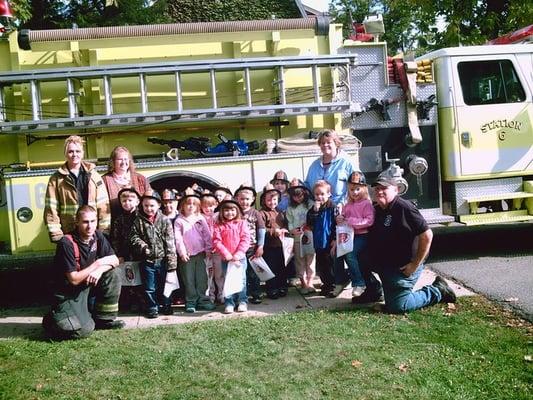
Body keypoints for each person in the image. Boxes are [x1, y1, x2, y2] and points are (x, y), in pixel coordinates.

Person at [354, 176, 456, 313]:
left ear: (396, 190)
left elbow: (427, 235)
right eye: (377, 189)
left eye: (384, 188)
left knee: (398, 306)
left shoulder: (404, 208)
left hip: (404, 266)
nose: (379, 192)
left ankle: (438, 290)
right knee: (359, 255)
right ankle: (374, 291)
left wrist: (414, 264)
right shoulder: (377, 209)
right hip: (386, 264)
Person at [42, 205, 124, 340]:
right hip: (68, 293)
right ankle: (52, 320)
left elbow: (115, 260)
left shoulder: (97, 236)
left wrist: (99, 270)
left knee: (113, 273)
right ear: (77, 223)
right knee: (82, 331)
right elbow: (73, 279)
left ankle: (104, 320)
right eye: (85, 222)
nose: (90, 226)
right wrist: (97, 264)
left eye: (93, 221)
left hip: (87, 285)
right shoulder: (66, 243)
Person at [44, 135, 110, 243]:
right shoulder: (56, 179)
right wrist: (57, 235)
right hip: (69, 232)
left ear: (82, 153)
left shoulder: (94, 176)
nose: (74, 154)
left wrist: (104, 231)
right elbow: (51, 209)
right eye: (71, 151)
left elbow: (103, 205)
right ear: (65, 153)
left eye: (78, 151)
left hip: (92, 231)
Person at [130, 190, 177, 318]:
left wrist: (172, 262)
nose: (149, 208)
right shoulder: (138, 221)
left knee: (165, 284)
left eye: (152, 205)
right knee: (149, 286)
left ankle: (166, 304)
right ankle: (152, 307)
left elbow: (170, 241)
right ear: (142, 206)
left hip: (163, 260)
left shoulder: (165, 220)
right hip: (147, 261)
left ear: (158, 205)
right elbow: (134, 237)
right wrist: (142, 246)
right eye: (146, 206)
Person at [333, 171, 374, 299]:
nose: (354, 192)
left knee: (350, 253)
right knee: (336, 253)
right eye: (351, 189)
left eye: (358, 189)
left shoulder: (366, 204)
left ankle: (359, 283)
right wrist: (340, 218)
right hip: (348, 235)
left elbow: (369, 221)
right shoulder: (348, 205)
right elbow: (343, 219)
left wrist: (350, 221)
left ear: (364, 189)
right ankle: (341, 280)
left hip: (362, 236)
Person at [174, 191, 215, 313]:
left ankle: (203, 300)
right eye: (188, 204)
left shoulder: (200, 218)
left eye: (194, 204)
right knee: (189, 279)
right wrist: (182, 252)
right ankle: (191, 301)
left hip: (201, 253)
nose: (191, 206)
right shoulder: (179, 221)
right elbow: (178, 238)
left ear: (198, 206)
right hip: (187, 255)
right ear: (182, 206)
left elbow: (207, 235)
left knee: (202, 278)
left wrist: (208, 249)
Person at [212, 199, 250, 314]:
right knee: (227, 280)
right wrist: (226, 254)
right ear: (222, 212)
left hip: (240, 258)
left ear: (237, 211)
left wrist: (238, 254)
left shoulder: (241, 223)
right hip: (226, 259)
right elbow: (216, 241)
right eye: (226, 210)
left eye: (232, 210)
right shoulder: (218, 225)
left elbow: (245, 239)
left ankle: (242, 301)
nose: (230, 213)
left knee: (241, 280)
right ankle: (229, 302)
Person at [110, 187, 143, 311]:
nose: (127, 203)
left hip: (140, 254)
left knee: (141, 279)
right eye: (124, 200)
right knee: (127, 278)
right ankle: (128, 302)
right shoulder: (119, 219)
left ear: (137, 201)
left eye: (130, 200)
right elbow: (115, 238)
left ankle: (141, 301)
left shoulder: (141, 217)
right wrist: (118, 254)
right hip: (125, 254)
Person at [304, 129, 357, 205]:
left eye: (329, 142)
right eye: (322, 143)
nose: (325, 145)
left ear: (336, 144)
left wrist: (342, 204)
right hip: (319, 211)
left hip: (342, 209)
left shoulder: (347, 162)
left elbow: (356, 186)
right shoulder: (314, 165)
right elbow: (307, 187)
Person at [102, 146, 150, 227]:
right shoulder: (104, 181)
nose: (123, 162)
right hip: (115, 227)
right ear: (113, 162)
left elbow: (150, 201)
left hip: (140, 226)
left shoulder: (140, 179)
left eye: (126, 159)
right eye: (120, 159)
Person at [235, 184, 266, 304]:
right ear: (237, 199)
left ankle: (256, 293)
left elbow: (261, 230)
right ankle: (244, 294)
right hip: (238, 249)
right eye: (242, 199)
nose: (244, 202)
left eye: (247, 199)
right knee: (241, 273)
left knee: (254, 273)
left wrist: (260, 246)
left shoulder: (255, 213)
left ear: (252, 199)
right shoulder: (235, 212)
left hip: (252, 248)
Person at [306, 180, 336, 297]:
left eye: (322, 194)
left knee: (330, 264)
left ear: (329, 194)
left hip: (329, 240)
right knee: (321, 264)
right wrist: (315, 211)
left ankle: (332, 285)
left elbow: (336, 224)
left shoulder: (332, 207)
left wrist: (334, 238)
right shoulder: (313, 209)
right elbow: (309, 222)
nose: (319, 197)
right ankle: (326, 283)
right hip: (318, 241)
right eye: (317, 194)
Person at [259, 183, 289, 299]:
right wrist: (273, 231)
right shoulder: (262, 213)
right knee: (271, 268)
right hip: (269, 246)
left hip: (281, 245)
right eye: (269, 200)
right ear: (264, 201)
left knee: (282, 267)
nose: (272, 203)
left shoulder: (280, 212)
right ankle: (272, 288)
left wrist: (286, 230)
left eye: (275, 200)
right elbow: (261, 229)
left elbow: (285, 224)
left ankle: (282, 286)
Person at [286, 178, 315, 294]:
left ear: (305, 194)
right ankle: (302, 281)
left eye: (300, 196)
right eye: (295, 196)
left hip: (309, 236)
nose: (298, 198)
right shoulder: (290, 208)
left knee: (311, 259)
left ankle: (310, 282)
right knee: (299, 260)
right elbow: (290, 222)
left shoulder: (310, 205)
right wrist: (292, 230)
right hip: (297, 237)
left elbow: (314, 217)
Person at [200, 191, 224, 304]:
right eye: (205, 206)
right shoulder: (200, 218)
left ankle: (221, 294)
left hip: (218, 250)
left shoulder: (219, 216)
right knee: (209, 274)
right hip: (206, 251)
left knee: (219, 274)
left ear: (216, 205)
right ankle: (211, 295)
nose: (208, 209)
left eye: (211, 206)